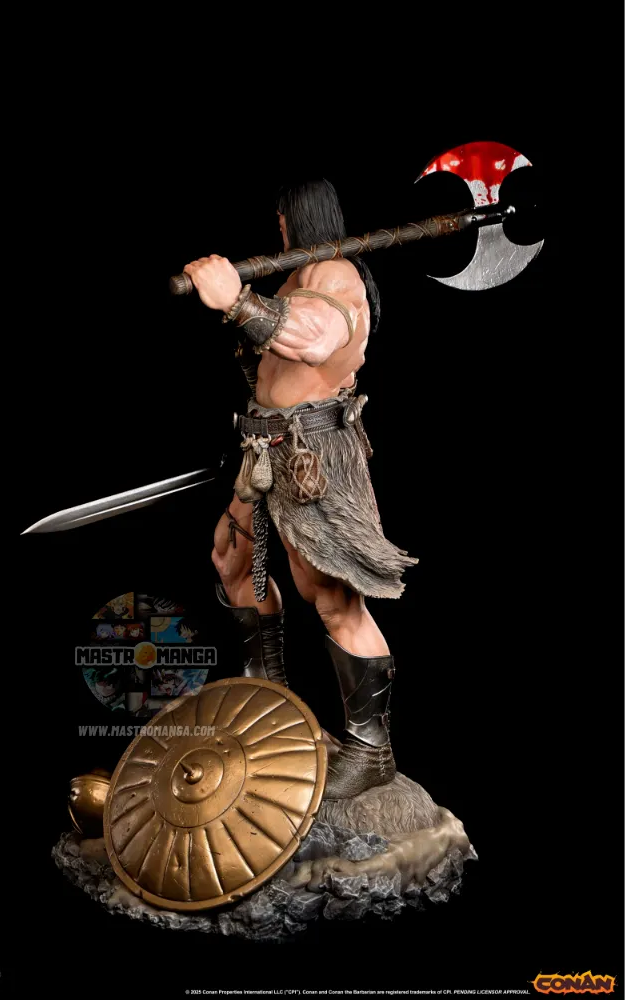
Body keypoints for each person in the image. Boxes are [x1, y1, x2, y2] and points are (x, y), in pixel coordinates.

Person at [184, 179, 417, 799]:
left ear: (296, 216)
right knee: (236, 564)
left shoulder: (336, 275)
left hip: (312, 457)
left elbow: (314, 341)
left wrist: (237, 300)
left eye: (283, 218)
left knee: (332, 597)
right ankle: (271, 706)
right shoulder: (296, 276)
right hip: (264, 453)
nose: (280, 228)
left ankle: (371, 748)